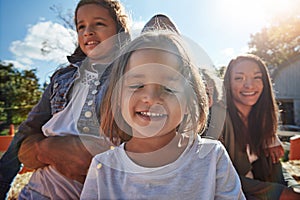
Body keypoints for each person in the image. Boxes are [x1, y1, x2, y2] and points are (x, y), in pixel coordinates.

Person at [80, 30, 246, 200]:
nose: (151, 98)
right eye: (137, 85)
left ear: (189, 101)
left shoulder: (212, 157)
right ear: (117, 97)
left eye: (168, 88)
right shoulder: (103, 168)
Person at [0, 0, 130, 199]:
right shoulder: (62, 78)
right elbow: (28, 129)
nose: (88, 31)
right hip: (39, 187)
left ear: (119, 30)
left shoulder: (129, 73)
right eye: (81, 26)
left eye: (99, 24)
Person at [221, 54, 300, 199]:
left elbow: (278, 171)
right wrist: (280, 194)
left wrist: (294, 189)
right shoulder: (219, 122)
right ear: (228, 84)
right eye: (239, 78)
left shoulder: (263, 122)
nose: (249, 85)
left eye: (257, 77)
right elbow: (220, 177)